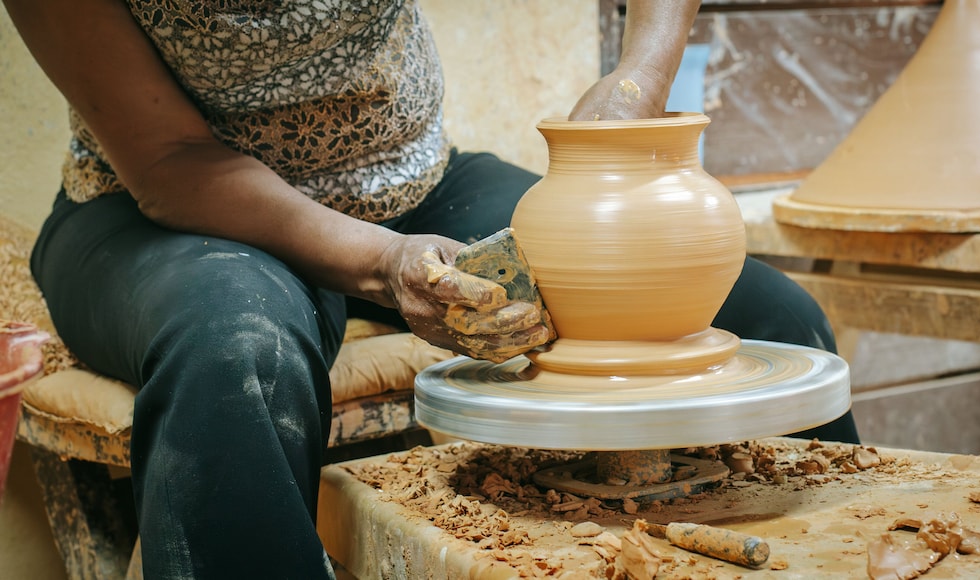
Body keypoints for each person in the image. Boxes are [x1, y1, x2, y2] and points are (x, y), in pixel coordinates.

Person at [5, 0, 858, 576]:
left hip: (414, 185)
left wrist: (637, 79)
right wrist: (383, 262)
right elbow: (168, 162)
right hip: (164, 208)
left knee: (770, 321)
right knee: (234, 356)